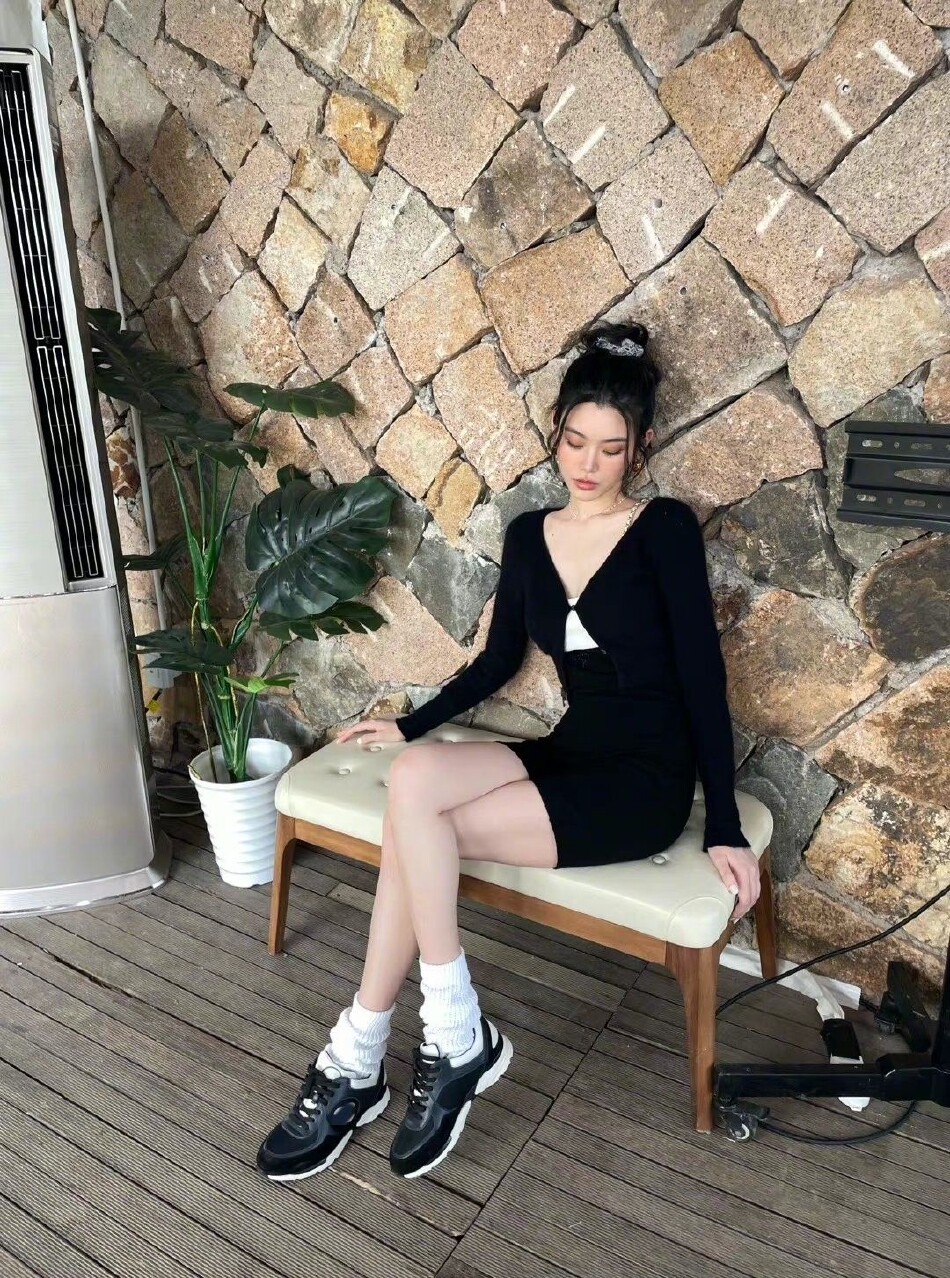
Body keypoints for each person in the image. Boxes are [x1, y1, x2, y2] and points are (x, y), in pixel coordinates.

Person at [256, 320, 761, 1184]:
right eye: (575, 441)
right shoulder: (531, 535)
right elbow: (498, 661)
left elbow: (704, 680)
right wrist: (411, 725)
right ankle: (440, 1036)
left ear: (640, 449)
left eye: (611, 448)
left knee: (417, 831)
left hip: (641, 783)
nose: (588, 464)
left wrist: (723, 825)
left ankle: (362, 1057)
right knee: (415, 779)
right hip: (571, 747)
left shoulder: (664, 529)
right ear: (556, 431)